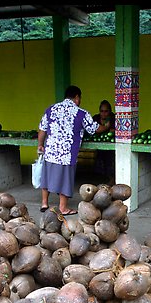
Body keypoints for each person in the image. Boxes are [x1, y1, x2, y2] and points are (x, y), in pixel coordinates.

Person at [37, 86, 110, 215]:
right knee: (65, 179)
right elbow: (94, 129)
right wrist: (106, 127)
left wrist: (40, 144)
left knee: (47, 176)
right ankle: (63, 208)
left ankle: (44, 203)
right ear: (76, 97)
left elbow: (42, 129)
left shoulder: (51, 109)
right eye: (79, 98)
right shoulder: (81, 113)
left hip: (51, 150)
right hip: (67, 153)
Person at [93, 100, 116, 185]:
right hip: (100, 146)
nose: (104, 114)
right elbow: (93, 130)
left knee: (110, 161)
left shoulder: (113, 118)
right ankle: (106, 180)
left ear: (110, 111)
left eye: (106, 111)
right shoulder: (96, 118)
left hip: (112, 147)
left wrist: (102, 130)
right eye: (102, 111)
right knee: (100, 162)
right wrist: (106, 128)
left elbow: (114, 131)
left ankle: (112, 180)